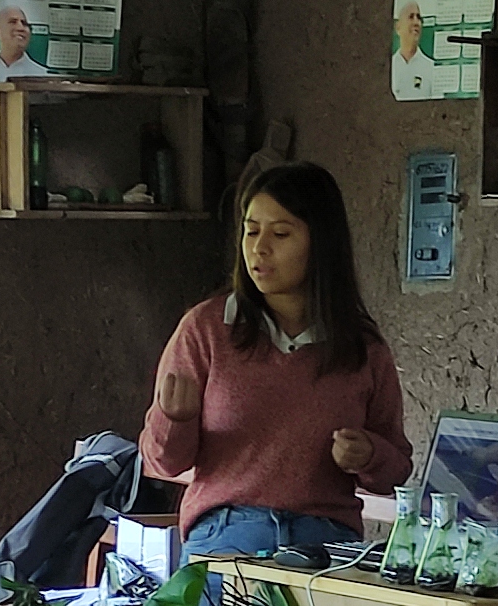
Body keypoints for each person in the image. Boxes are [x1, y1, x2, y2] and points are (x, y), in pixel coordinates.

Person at [141, 161, 411, 567]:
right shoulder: (208, 329)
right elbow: (162, 462)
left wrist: (369, 454)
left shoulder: (361, 347)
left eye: (280, 234)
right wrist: (174, 419)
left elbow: (396, 470)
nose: (259, 248)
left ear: (321, 243)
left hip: (326, 547)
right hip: (226, 536)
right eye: (251, 231)